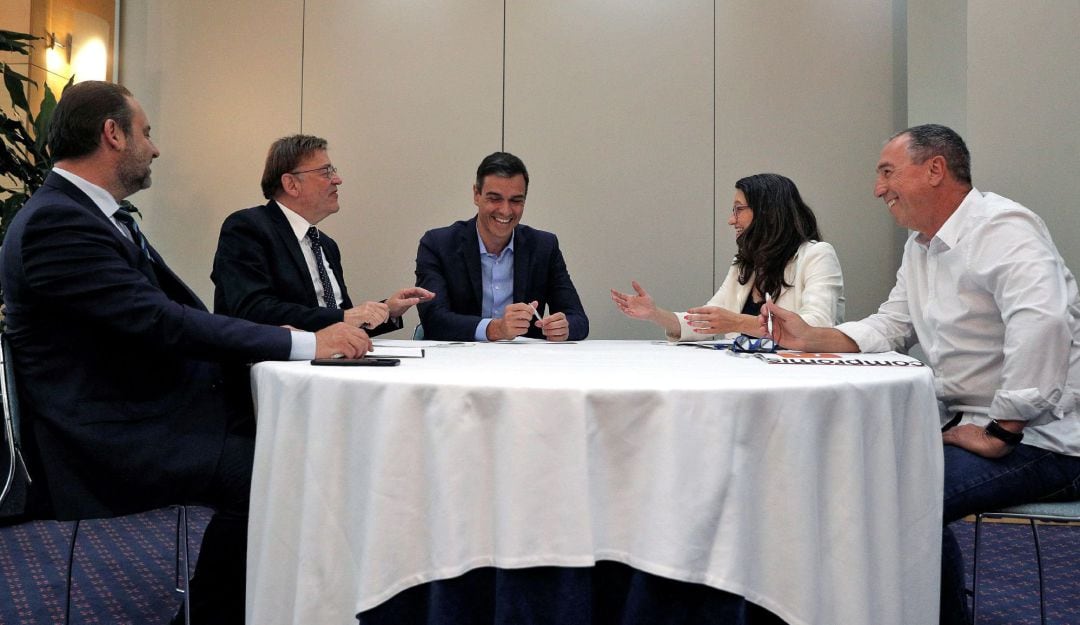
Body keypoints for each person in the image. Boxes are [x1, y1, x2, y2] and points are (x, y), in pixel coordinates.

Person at [0, 81, 369, 625]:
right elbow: (160, 322)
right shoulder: (58, 222)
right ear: (112, 134)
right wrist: (306, 342)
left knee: (298, 447)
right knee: (282, 472)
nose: (154, 148)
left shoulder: (86, 214)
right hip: (112, 433)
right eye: (145, 133)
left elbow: (165, 318)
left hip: (149, 406)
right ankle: (223, 611)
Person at [762, 124, 1080, 625]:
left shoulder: (1002, 227)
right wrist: (811, 338)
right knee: (863, 487)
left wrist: (1004, 428)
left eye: (887, 172)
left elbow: (1043, 323)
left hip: (1042, 440)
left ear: (935, 169)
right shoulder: (921, 246)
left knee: (895, 500)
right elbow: (893, 323)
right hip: (972, 428)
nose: (877, 188)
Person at [211, 134, 433, 333]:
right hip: (269, 369)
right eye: (326, 172)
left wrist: (387, 311)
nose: (337, 179)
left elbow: (340, 325)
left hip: (329, 364)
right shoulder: (247, 228)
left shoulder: (325, 244)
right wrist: (346, 316)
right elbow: (253, 310)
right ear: (291, 184)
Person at [611, 173, 844, 340]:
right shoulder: (745, 265)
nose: (731, 220)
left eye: (739, 209)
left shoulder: (817, 256)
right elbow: (708, 320)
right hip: (743, 378)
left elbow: (817, 326)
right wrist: (655, 314)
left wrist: (737, 322)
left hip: (799, 381)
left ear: (767, 213)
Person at [414, 152, 588, 341]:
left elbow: (578, 319)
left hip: (525, 364)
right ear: (476, 195)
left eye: (516, 200)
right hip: (457, 360)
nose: (505, 210)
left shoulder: (544, 246)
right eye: (495, 198)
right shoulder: (438, 244)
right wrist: (494, 329)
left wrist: (564, 327)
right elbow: (434, 320)